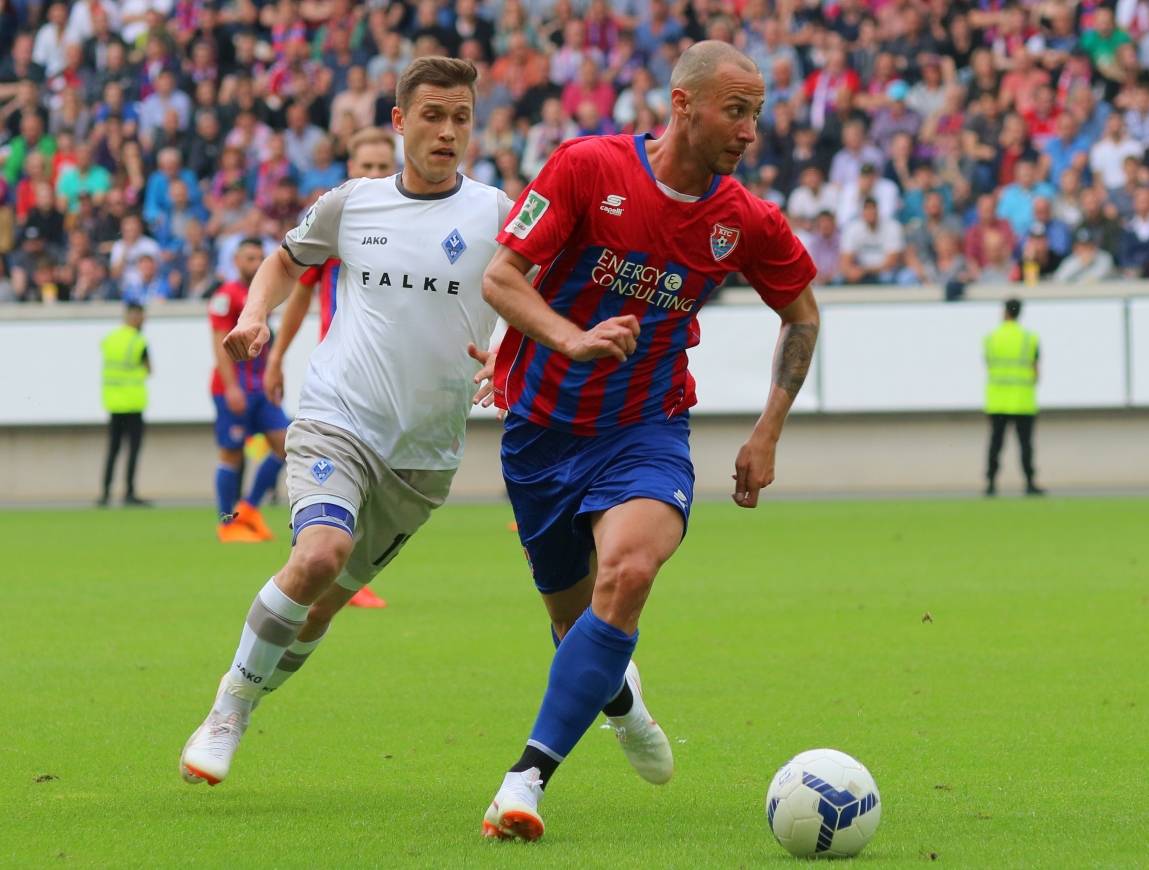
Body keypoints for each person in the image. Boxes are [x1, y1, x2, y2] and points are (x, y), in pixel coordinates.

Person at [477, 41, 819, 842]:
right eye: (734, 111)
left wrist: (767, 429)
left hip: (645, 427)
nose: (746, 131)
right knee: (574, 627)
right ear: (682, 105)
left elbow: (801, 313)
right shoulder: (585, 167)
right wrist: (570, 338)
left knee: (628, 571)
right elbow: (500, 275)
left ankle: (524, 781)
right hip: (539, 433)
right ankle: (619, 699)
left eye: (756, 115)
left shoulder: (743, 220)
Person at [179, 57, 513, 787]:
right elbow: (283, 261)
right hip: (338, 418)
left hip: (423, 456)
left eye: (460, 117)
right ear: (399, 122)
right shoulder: (351, 203)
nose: (447, 132)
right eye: (432, 116)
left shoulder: (495, 212)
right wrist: (252, 315)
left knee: (323, 607)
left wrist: (507, 358)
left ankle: (253, 690)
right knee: (319, 555)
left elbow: (529, 295)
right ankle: (228, 708)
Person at [262, 126, 398, 609]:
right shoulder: (338, 220)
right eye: (368, 167)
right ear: (351, 170)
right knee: (339, 482)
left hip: (395, 385)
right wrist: (276, 357)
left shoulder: (410, 223)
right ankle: (320, 575)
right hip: (338, 382)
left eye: (385, 166)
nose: (377, 175)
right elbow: (298, 289)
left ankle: (325, 574)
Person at [208, 238, 292, 543]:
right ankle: (226, 523)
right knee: (231, 454)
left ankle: (249, 509)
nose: (255, 263)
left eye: (260, 258)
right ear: (236, 261)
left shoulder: (264, 295)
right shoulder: (225, 296)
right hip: (233, 388)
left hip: (261, 387)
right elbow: (219, 343)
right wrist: (231, 387)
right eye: (249, 258)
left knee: (286, 445)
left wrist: (274, 371)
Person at [984, 298, 1045, 497]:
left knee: (996, 444)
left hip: (998, 400)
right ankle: (1029, 482)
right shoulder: (1030, 338)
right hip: (1022, 399)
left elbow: (988, 363)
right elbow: (1036, 369)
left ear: (1005, 312)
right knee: (1025, 444)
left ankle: (991, 484)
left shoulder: (991, 337)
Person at [98, 302, 151, 507]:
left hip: (113, 402)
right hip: (133, 403)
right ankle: (129, 492)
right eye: (141, 316)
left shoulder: (110, 339)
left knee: (113, 450)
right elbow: (148, 368)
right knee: (133, 450)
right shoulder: (138, 341)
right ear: (134, 316)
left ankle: (105, 492)